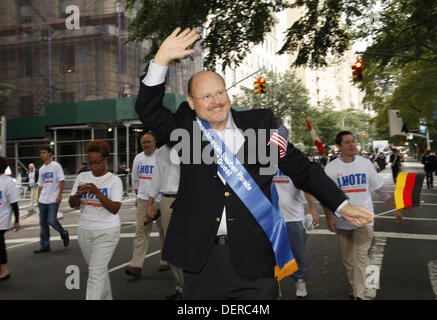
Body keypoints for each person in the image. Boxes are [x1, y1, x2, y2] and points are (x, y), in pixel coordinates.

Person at [134, 27, 373, 299]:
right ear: (191, 102)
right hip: (200, 260)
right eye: (206, 96)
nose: (216, 101)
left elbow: (303, 169)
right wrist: (161, 60)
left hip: (254, 258)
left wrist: (341, 204)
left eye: (220, 92)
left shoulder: (261, 126)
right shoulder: (184, 128)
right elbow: (148, 111)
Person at [323, 131, 403, 300]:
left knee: (360, 257)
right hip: (342, 221)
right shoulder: (331, 168)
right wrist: (329, 218)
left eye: (353, 141)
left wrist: (395, 208)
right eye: (347, 142)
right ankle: (355, 288)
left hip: (365, 220)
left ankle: (360, 295)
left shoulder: (365, 164)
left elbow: (380, 189)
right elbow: (325, 196)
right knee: (349, 261)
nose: (352, 145)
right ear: (339, 147)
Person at [68, 140, 123, 300]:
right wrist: (78, 194)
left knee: (95, 273)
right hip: (85, 230)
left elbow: (115, 209)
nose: (93, 166)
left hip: (107, 231)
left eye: (96, 162)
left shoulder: (114, 180)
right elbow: (72, 204)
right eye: (90, 162)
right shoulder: (82, 176)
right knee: (97, 270)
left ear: (105, 160)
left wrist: (97, 192)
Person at [125, 132, 167, 278]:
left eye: (149, 142)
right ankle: (136, 265)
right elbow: (135, 179)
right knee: (141, 232)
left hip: (160, 199)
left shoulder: (162, 157)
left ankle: (165, 260)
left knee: (164, 232)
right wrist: (137, 197)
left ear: (155, 142)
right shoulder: (138, 158)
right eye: (143, 143)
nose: (146, 145)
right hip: (143, 199)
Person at [273, 168, 319, 298]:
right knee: (271, 254)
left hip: (293, 216)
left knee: (298, 253)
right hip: (271, 216)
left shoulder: (292, 160)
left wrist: (312, 208)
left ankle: (300, 280)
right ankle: (273, 285)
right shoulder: (262, 159)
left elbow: (306, 186)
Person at [147, 144, 183, 299]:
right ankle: (180, 288)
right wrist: (150, 203)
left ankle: (193, 287)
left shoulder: (188, 147)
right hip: (166, 201)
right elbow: (156, 177)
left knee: (188, 244)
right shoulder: (160, 152)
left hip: (184, 200)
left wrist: (176, 148)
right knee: (171, 246)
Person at [34, 146, 69, 253]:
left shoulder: (56, 166)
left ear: (50, 153)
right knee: (43, 223)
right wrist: (38, 198)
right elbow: (40, 185)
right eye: (41, 153)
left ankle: (64, 233)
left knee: (51, 220)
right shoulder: (41, 169)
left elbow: (61, 181)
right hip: (43, 199)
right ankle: (45, 246)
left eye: (44, 152)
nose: (42, 155)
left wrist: (59, 195)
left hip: (53, 199)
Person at [0, 157, 20, 281]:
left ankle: (5, 270)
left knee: (0, 245)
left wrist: (17, 220)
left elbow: (14, 203)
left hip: (2, 219)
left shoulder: (8, 182)